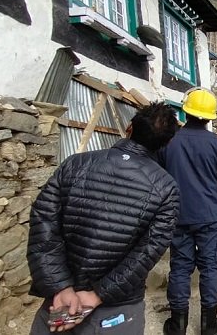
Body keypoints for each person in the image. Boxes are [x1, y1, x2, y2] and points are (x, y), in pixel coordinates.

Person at [26, 102, 180, 334]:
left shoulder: (75, 164)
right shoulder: (166, 188)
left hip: (60, 303)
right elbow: (148, 252)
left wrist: (61, 287)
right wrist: (98, 294)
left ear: (129, 127)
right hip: (117, 309)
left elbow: (43, 224)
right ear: (167, 143)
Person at [161, 88, 217, 335]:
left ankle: (177, 325)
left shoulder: (168, 142)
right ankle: (208, 325)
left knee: (180, 267)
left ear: (186, 110)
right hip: (211, 216)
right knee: (210, 268)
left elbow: (159, 179)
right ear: (210, 117)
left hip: (178, 216)